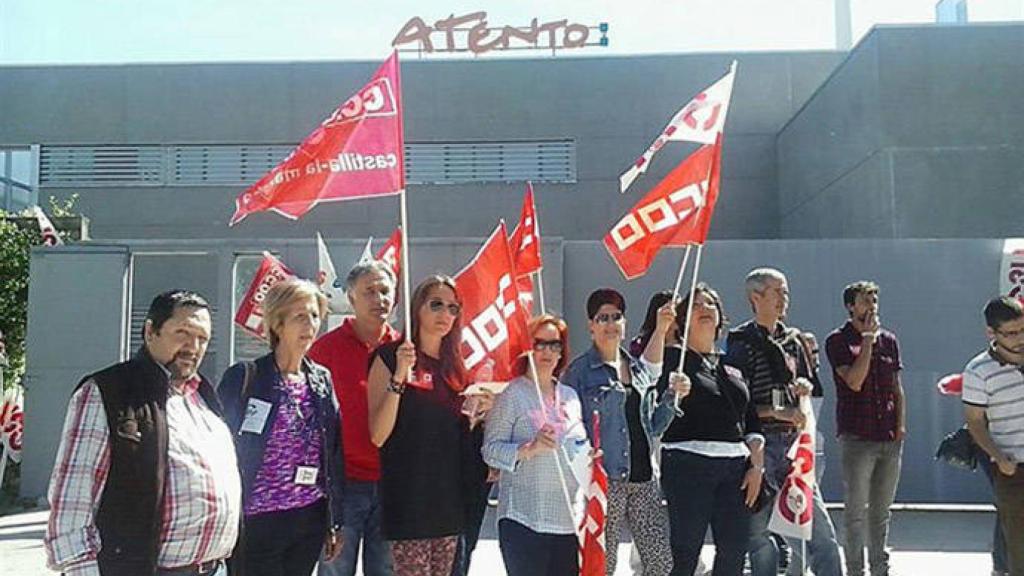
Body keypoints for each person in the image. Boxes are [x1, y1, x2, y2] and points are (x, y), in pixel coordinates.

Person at [45, 290, 240, 576]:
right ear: (150, 331)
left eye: (202, 338)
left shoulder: (204, 398)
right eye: (182, 332)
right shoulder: (108, 392)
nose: (193, 346)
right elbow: (71, 509)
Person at [366, 275, 493, 576]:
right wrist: (399, 375)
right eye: (436, 304)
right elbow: (378, 435)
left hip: (451, 503)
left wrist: (479, 415)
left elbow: (457, 433)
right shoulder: (389, 357)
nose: (445, 314)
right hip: (409, 502)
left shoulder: (458, 367)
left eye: (453, 308)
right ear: (417, 309)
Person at [218, 279, 344, 576]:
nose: (310, 324)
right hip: (257, 518)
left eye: (314, 315)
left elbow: (334, 452)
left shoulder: (321, 379)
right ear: (277, 324)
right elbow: (219, 449)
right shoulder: (246, 376)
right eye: (300, 316)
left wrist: (333, 520)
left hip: (308, 517)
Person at [723, 268, 841, 576]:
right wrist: (777, 413)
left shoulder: (794, 341)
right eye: (777, 292)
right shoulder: (740, 345)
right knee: (759, 538)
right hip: (759, 449)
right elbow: (737, 405)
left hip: (793, 449)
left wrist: (801, 391)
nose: (784, 299)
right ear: (756, 297)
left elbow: (809, 388)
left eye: (785, 292)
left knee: (821, 535)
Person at [654, 283, 765, 576]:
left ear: (720, 317)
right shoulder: (671, 361)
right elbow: (648, 381)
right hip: (688, 465)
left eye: (711, 304)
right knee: (685, 551)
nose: (705, 309)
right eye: (695, 305)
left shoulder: (732, 367)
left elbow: (751, 420)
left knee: (733, 551)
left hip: (735, 469)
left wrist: (756, 466)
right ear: (682, 320)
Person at [563, 287, 675, 576]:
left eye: (616, 317)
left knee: (660, 563)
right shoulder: (579, 373)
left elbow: (653, 426)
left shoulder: (637, 369)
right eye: (602, 318)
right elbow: (569, 425)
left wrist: (673, 398)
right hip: (605, 481)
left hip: (644, 481)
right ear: (590, 326)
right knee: (602, 564)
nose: (611, 324)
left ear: (624, 323)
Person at [483, 314, 592, 576]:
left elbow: (578, 446)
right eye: (539, 343)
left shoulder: (570, 396)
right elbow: (490, 451)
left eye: (554, 344)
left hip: (566, 521)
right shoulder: (513, 394)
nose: (547, 351)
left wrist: (590, 457)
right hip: (523, 518)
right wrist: (528, 449)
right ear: (526, 348)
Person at [311, 261, 399, 576]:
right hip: (342, 484)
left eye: (385, 291)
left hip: (391, 483)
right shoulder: (324, 350)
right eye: (369, 291)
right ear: (351, 298)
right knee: (335, 568)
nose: (379, 299)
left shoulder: (404, 351)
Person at [825, 281, 905, 576]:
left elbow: (897, 387)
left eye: (874, 299)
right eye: (864, 300)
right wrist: (868, 341)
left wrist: (901, 426)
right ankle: (856, 570)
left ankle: (880, 568)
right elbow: (854, 381)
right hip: (857, 437)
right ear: (850, 306)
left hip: (888, 436)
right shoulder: (838, 341)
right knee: (856, 512)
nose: (871, 305)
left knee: (881, 512)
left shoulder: (890, 340)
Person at [963, 296, 1024, 576]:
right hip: (1012, 470)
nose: (1019, 338)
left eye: (1023, 330)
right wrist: (999, 458)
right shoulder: (978, 371)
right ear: (992, 333)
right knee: (1018, 551)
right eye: (1011, 333)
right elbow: (975, 423)